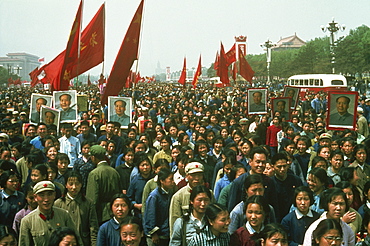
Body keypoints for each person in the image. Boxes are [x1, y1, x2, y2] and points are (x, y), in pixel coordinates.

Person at [19, 181, 82, 245]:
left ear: (54, 195)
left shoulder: (64, 215)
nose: (46, 199)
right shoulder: (27, 221)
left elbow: (77, 240)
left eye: (49, 194)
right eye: (42, 195)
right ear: (35, 197)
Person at [54, 171, 98, 246]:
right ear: (66, 185)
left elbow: (93, 227)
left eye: (77, 184)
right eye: (71, 184)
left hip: (84, 242)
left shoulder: (88, 203)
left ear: (81, 185)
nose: (74, 187)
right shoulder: (58, 203)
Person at [86, 145, 121, 224]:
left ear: (93, 157)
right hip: (114, 211)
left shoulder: (94, 173)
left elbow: (92, 199)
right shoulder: (114, 172)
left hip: (100, 214)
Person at [144, 168, 175, 245]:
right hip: (158, 235)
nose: (173, 182)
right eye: (170, 179)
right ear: (162, 181)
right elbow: (150, 215)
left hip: (166, 232)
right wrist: (154, 233)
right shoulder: (154, 196)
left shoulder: (170, 192)